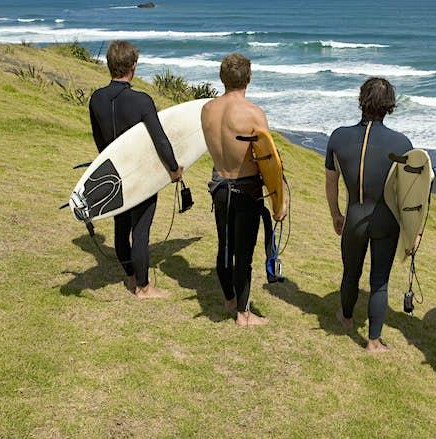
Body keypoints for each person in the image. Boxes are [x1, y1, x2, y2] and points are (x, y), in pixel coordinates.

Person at [88, 40, 183, 299]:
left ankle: (130, 277)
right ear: (133, 66)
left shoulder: (96, 99)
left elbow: (99, 140)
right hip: (140, 176)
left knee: (121, 225)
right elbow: (160, 140)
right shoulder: (141, 101)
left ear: (109, 65)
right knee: (140, 231)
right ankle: (143, 287)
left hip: (114, 174)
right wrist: (174, 169)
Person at [325, 77, 412, 352]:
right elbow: (412, 194)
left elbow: (331, 182)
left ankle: (346, 317)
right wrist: (413, 232)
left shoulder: (338, 137)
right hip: (386, 220)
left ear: (362, 100)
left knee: (351, 272)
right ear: (389, 105)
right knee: (379, 281)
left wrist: (336, 214)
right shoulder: (402, 143)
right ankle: (373, 342)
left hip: (353, 217)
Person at [201, 53, 287, 327]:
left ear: (221, 78)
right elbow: (268, 160)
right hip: (246, 189)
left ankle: (228, 298)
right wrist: (278, 201)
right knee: (244, 255)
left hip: (219, 187)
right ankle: (243, 313)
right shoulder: (253, 113)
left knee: (224, 246)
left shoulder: (207, 110)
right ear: (248, 79)